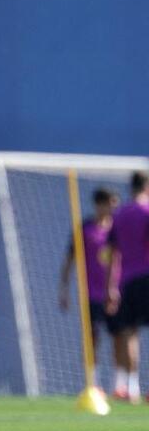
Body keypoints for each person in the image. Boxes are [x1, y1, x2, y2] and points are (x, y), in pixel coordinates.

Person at [59, 187, 127, 396]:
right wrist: (64, 289)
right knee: (92, 338)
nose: (114, 208)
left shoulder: (118, 228)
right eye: (111, 204)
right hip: (91, 294)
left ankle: (119, 385)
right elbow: (69, 260)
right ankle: (92, 383)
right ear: (99, 204)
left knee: (119, 337)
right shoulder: (85, 229)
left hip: (116, 293)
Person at [106, 171, 149, 404]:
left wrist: (110, 287)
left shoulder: (119, 214)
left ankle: (132, 388)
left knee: (129, 333)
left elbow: (113, 255)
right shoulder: (147, 211)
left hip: (127, 282)